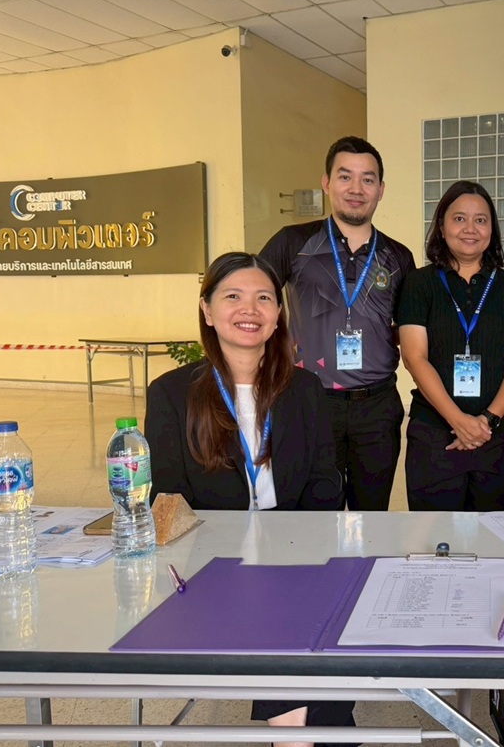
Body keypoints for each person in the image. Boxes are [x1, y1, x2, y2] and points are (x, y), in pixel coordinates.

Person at [145, 252, 355, 747]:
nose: (250, 309)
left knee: (300, 613)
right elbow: (168, 496)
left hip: (297, 553)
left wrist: (297, 553)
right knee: (283, 625)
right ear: (207, 309)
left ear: (278, 315)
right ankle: (307, 736)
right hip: (211, 563)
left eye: (264, 298)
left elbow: (326, 481)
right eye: (233, 296)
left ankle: (302, 734)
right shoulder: (172, 393)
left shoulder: (304, 388)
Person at [260, 135, 414, 512]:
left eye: (367, 179)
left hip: (377, 406)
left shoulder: (398, 256)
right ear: (327, 183)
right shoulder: (293, 242)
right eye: (345, 177)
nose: (356, 189)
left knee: (371, 515)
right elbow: (253, 296)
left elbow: (409, 329)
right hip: (310, 401)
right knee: (313, 514)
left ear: (381, 190)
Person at [397, 181, 504, 511]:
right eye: (459, 218)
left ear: (492, 229)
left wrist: (487, 421)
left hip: (497, 436)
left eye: (481, 220)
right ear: (442, 226)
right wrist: (457, 420)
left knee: (494, 535)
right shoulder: (419, 283)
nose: (470, 229)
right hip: (435, 435)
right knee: (436, 536)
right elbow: (414, 358)